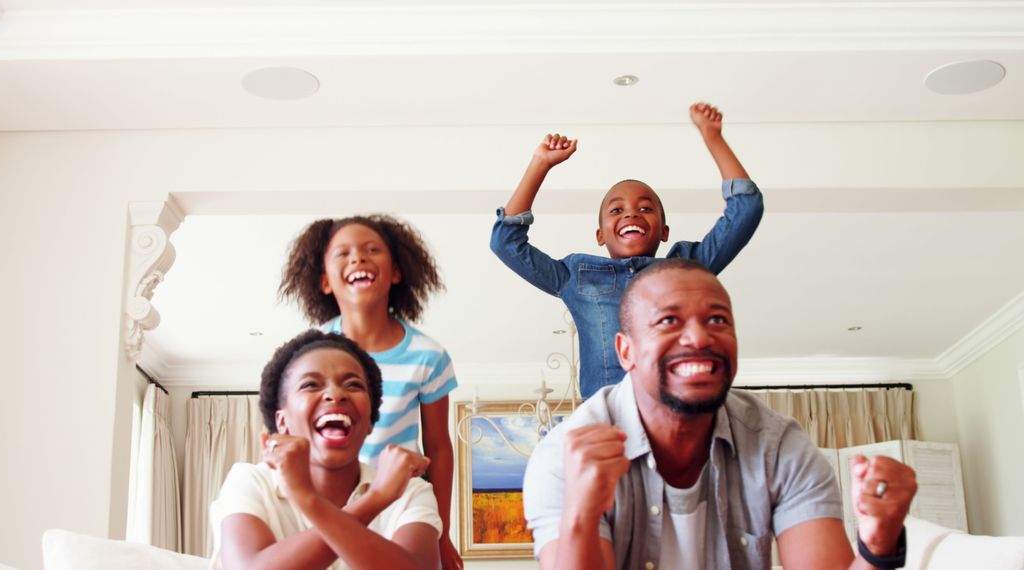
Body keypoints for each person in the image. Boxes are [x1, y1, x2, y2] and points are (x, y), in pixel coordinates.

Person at [523, 259, 917, 570]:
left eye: (717, 320)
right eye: (668, 321)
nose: (699, 337)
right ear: (626, 352)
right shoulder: (565, 455)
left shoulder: (779, 447)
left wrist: (878, 547)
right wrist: (581, 514)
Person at [490, 102, 764, 400]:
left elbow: (745, 209)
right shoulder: (574, 275)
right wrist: (540, 164)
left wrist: (713, 137)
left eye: (645, 208)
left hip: (678, 411)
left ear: (664, 231)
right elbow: (505, 243)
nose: (631, 215)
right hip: (611, 420)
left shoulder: (688, 268)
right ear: (600, 235)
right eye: (616, 210)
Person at [280, 215, 462, 569]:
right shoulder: (310, 353)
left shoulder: (428, 356)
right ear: (324, 281)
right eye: (342, 253)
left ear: (396, 272)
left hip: (401, 506)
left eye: (371, 250)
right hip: (328, 500)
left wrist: (442, 531)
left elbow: (439, 446)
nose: (358, 259)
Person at [210, 330, 441, 570]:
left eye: (353, 384)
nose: (335, 394)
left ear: (370, 420)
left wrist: (306, 498)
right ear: (282, 422)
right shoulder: (250, 481)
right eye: (310, 385)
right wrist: (375, 500)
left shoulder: (410, 491)